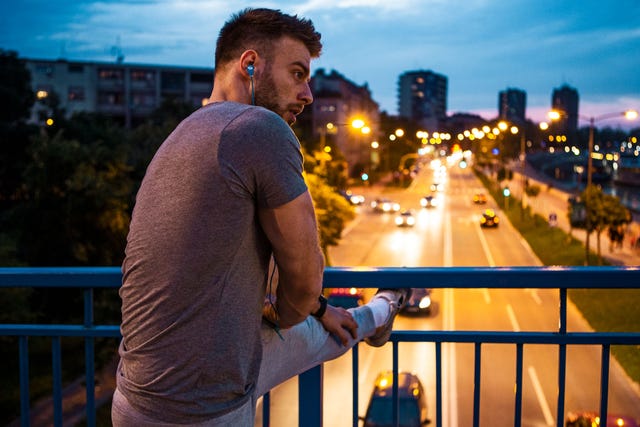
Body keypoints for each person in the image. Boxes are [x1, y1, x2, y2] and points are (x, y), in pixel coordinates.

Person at [112, 7, 410, 426]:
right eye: (297, 74)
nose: (308, 95)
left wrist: (319, 309)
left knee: (324, 328)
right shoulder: (259, 128)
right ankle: (383, 308)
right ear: (250, 65)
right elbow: (304, 284)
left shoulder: (183, 133)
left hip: (135, 392)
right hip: (200, 408)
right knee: (305, 330)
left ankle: (378, 311)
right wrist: (294, 311)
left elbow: (222, 257)